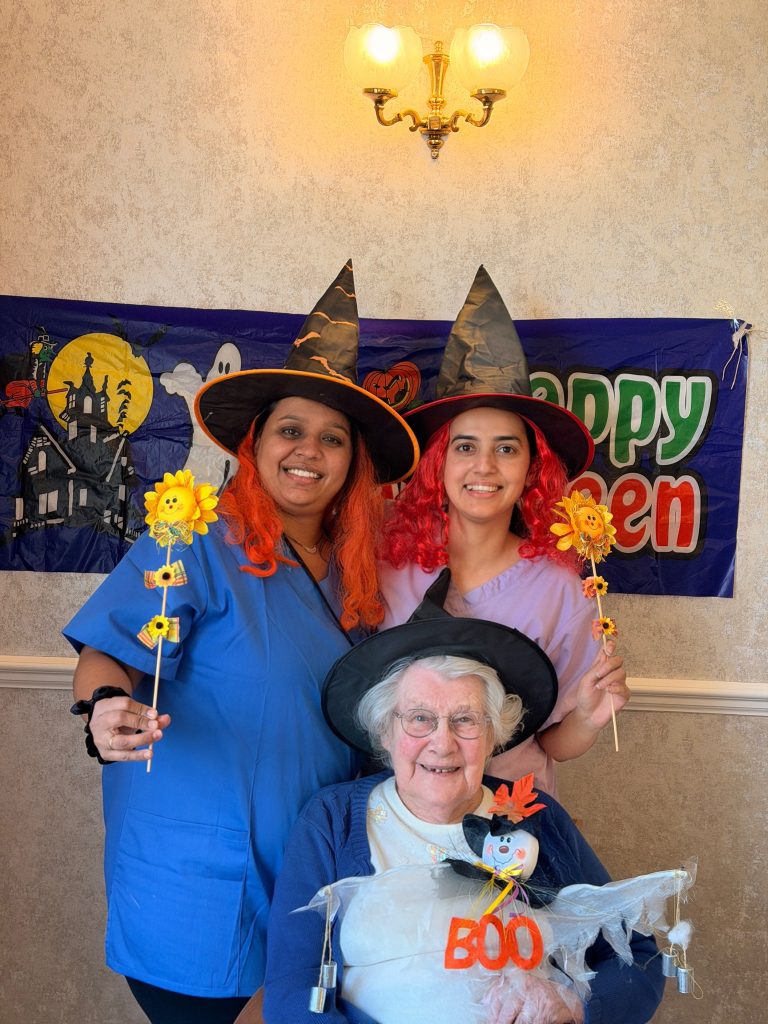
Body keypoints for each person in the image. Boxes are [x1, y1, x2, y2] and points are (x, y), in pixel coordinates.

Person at [64, 262, 419, 1024]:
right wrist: (104, 710)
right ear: (255, 445)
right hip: (198, 885)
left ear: (352, 462)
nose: (309, 451)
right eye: (290, 431)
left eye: (332, 438)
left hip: (310, 876)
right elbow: (108, 653)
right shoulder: (194, 537)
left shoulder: (355, 576)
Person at [261, 580, 665, 1023]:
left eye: (466, 720)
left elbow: (637, 956)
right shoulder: (332, 820)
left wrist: (573, 1005)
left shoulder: (538, 818)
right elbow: (291, 987)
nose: (442, 743)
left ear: (494, 735)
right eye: (420, 718)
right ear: (385, 732)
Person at [379, 266, 630, 793]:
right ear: (438, 464)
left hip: (508, 817)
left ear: (532, 468)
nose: (485, 466)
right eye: (465, 446)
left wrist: (589, 718)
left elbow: (554, 742)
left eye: (507, 449)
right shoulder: (386, 567)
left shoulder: (561, 588)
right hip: (400, 811)